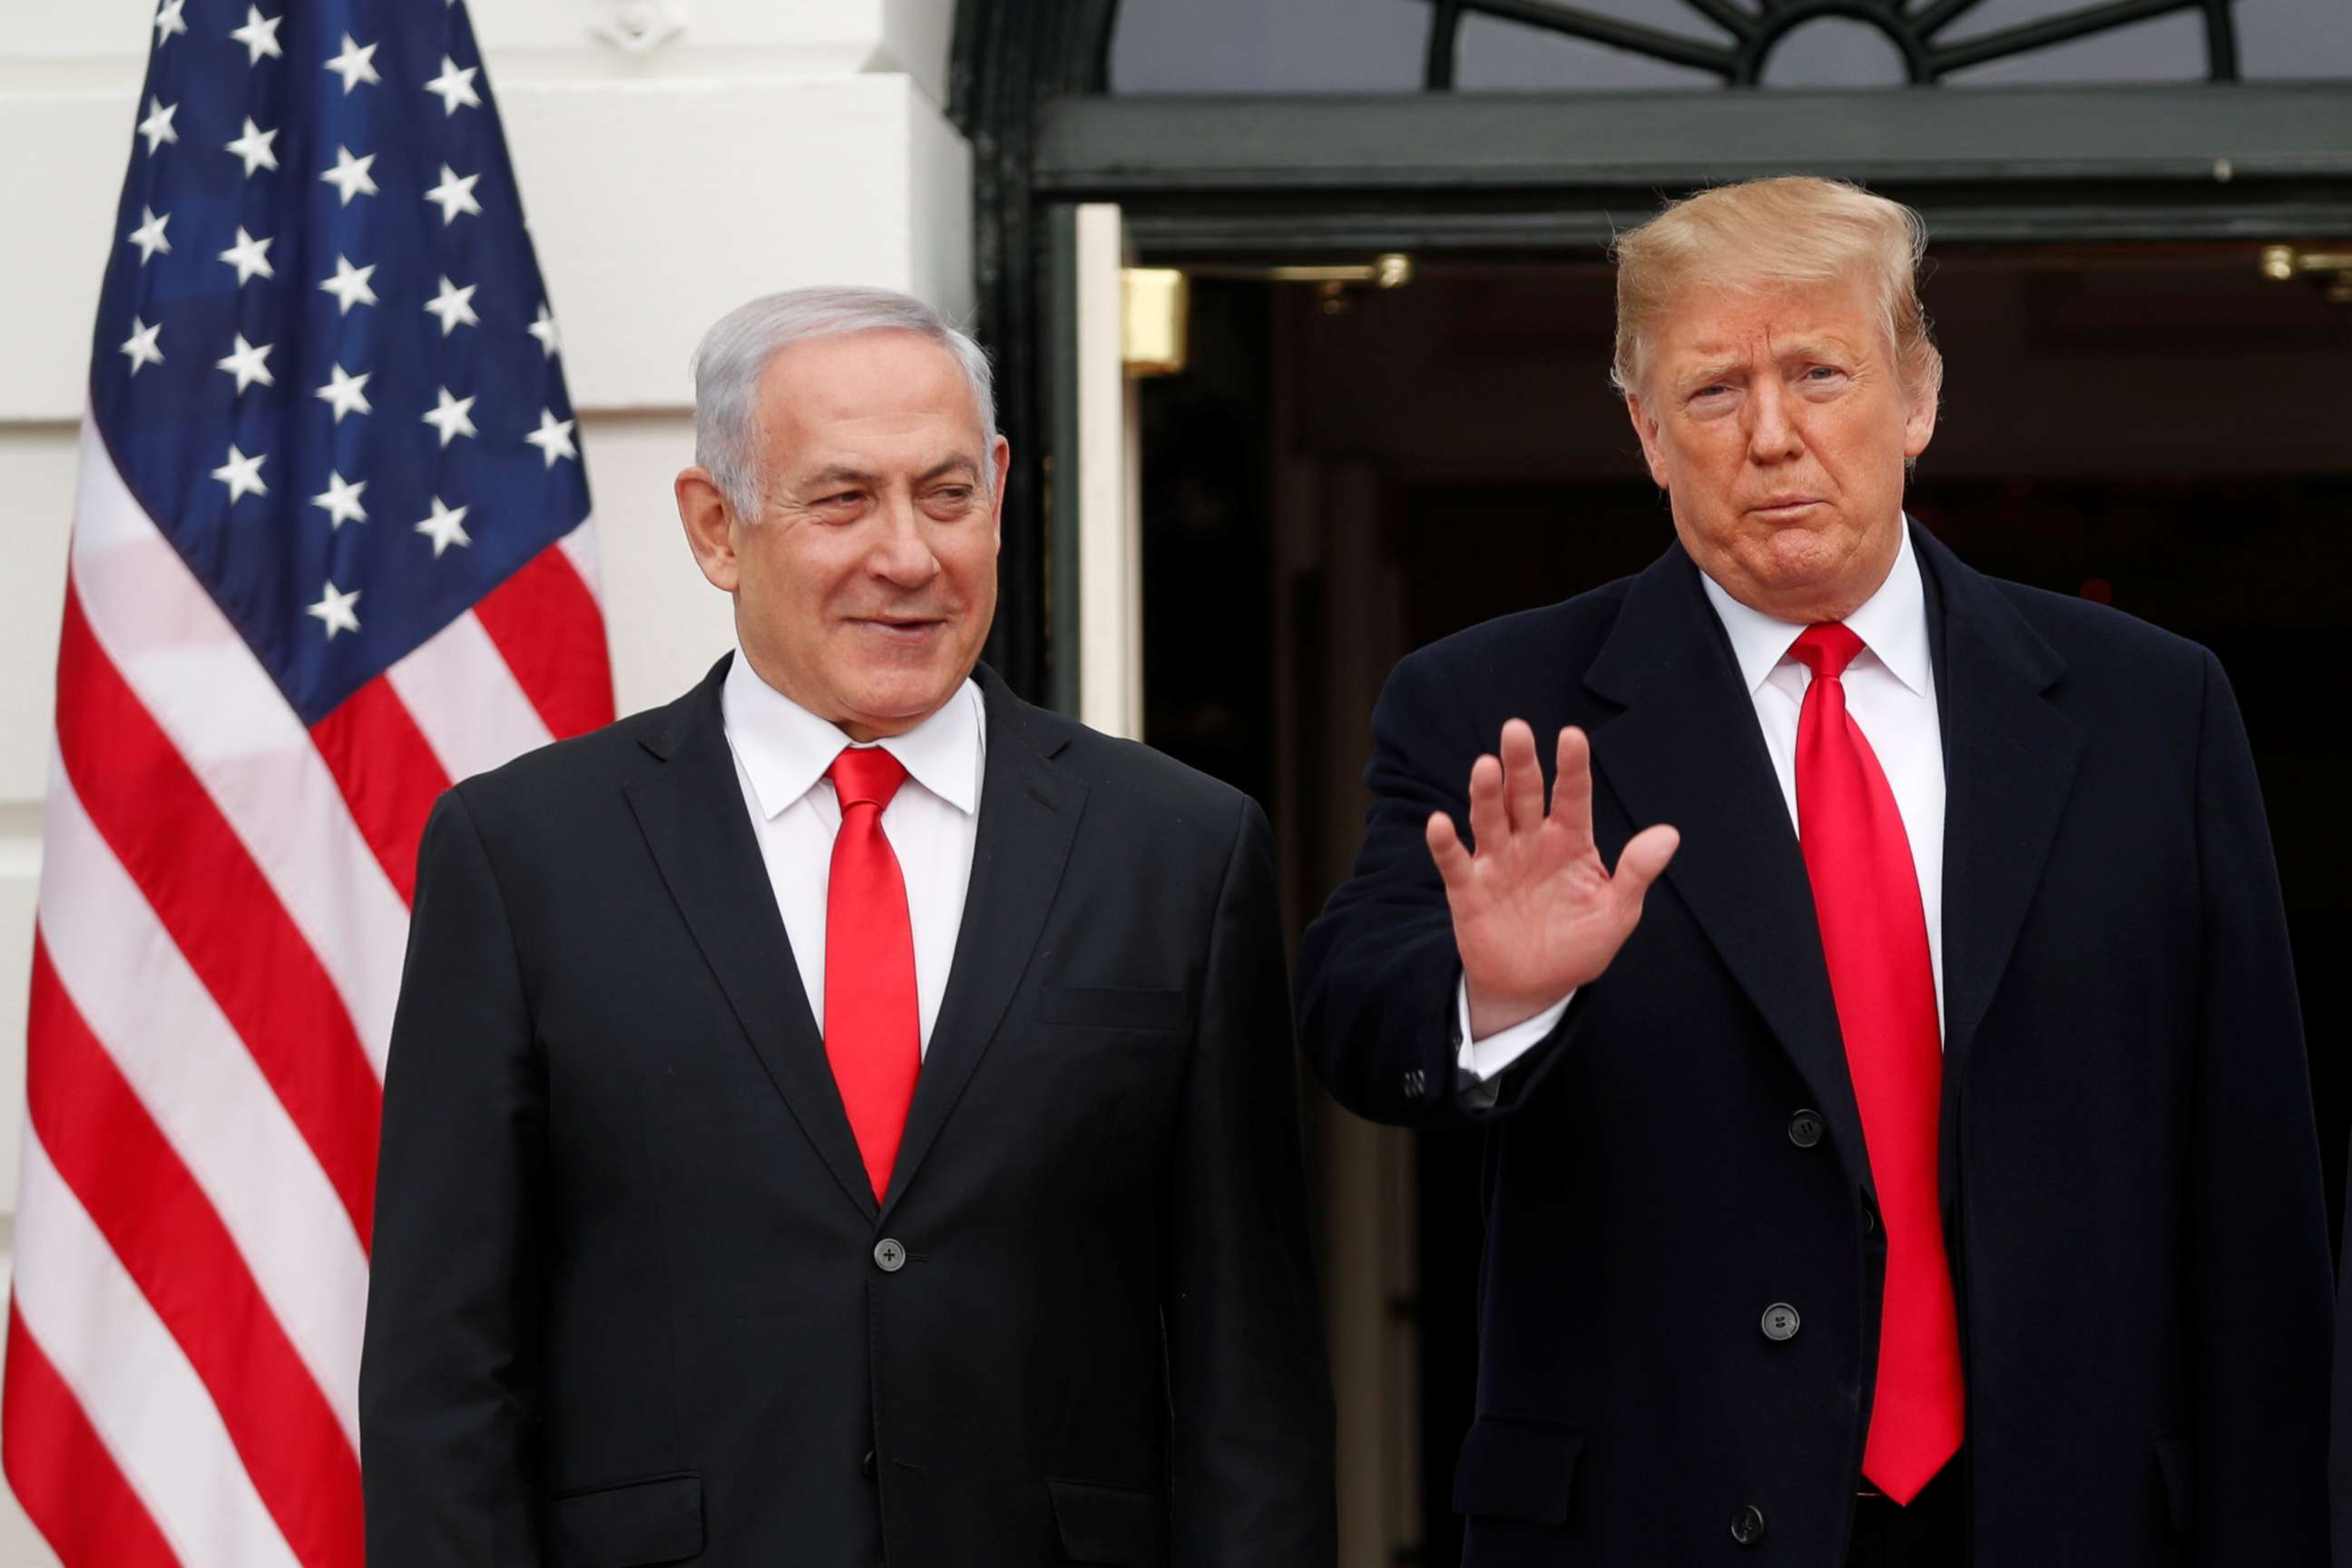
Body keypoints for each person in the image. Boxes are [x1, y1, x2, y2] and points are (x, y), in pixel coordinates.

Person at [1295, 177, 2330, 1566]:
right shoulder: (1496, 703)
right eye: (1714, 392)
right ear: (1647, 433)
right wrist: (1494, 999)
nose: (1772, 436)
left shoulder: (2151, 709)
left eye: (1819, 375)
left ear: (1917, 397)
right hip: (1650, 1522)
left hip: (2076, 1516)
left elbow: (2253, 1181)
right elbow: (1357, 1016)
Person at [360, 287, 1335, 1565]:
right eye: (841, 500)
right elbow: (444, 1372)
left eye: (945, 496)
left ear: (997, 489)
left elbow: (1247, 1375)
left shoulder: (1181, 850)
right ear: (718, 528)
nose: (909, 556)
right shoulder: (524, 856)